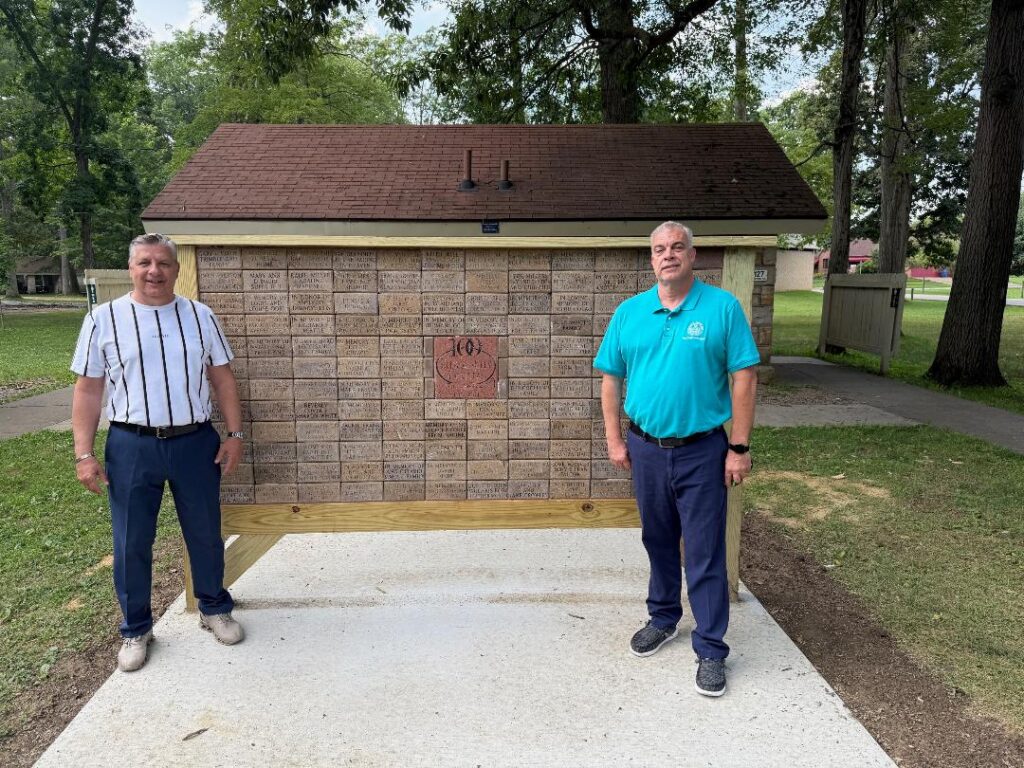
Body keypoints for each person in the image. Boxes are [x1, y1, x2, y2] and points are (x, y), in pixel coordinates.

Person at [593, 221, 759, 697]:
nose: (669, 255)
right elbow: (610, 379)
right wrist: (614, 441)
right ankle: (663, 617)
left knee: (704, 549)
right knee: (658, 539)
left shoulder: (721, 308)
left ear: (693, 255)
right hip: (644, 448)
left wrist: (739, 447)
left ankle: (710, 648)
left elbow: (744, 377)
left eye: (678, 247)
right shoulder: (630, 313)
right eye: (660, 249)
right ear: (652, 260)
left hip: (703, 450)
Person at [71, 233, 246, 672]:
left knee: (205, 531)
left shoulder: (200, 316)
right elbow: (89, 389)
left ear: (176, 269)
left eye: (163, 263)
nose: (154, 271)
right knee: (131, 540)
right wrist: (83, 453)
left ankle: (213, 607)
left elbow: (221, 378)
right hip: (132, 444)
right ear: (131, 268)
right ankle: (135, 629)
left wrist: (235, 434)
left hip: (194, 441)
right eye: (144, 262)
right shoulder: (103, 319)